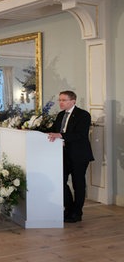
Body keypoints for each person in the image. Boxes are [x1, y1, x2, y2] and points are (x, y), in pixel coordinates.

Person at [47, 90, 94, 223]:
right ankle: (69, 209)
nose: (60, 103)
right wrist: (33, 130)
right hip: (63, 154)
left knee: (78, 184)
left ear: (73, 101)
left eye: (64, 100)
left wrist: (60, 135)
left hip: (79, 155)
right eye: (60, 100)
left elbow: (80, 135)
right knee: (60, 181)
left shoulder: (83, 115)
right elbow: (53, 129)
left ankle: (77, 213)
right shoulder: (61, 115)